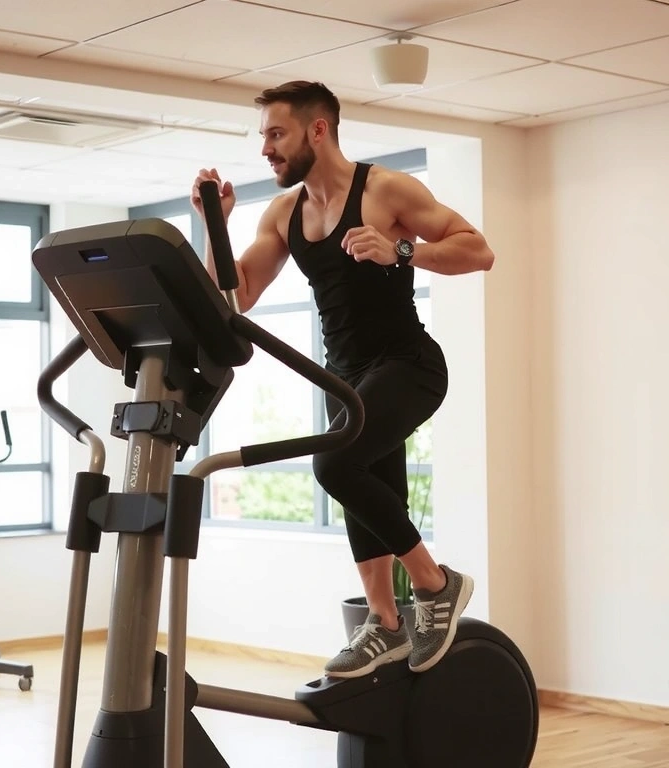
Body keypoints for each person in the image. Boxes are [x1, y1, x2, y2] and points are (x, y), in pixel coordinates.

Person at [190, 80, 496, 679]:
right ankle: (384, 623)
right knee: (367, 487)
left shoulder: (384, 190)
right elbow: (236, 299)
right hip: (344, 379)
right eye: (264, 138)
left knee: (333, 465)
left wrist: (400, 250)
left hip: (410, 365)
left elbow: (477, 250)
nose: (266, 151)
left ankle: (435, 584)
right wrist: (216, 229)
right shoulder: (284, 212)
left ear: (318, 130)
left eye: (276, 135)